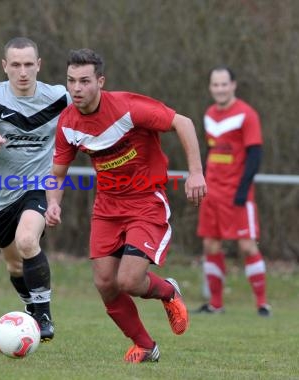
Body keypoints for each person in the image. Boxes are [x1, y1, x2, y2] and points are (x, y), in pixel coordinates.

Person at [45, 48, 207, 363]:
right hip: (107, 207)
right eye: (71, 81)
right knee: (105, 283)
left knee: (129, 281)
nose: (76, 88)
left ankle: (168, 291)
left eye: (84, 81)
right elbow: (57, 173)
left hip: (145, 200)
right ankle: (145, 346)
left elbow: (183, 123)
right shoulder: (67, 123)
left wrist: (196, 173)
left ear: (100, 82)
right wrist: (53, 203)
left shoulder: (128, 107)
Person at [0, 37, 70, 342]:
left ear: (39, 65)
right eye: (16, 65)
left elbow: (93, 112)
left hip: (39, 185)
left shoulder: (59, 97)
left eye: (28, 64)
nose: (23, 72)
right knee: (14, 263)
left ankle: (44, 317)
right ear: (5, 66)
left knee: (26, 240)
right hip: (0, 193)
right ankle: (31, 309)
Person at [194, 66, 271, 317]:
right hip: (212, 192)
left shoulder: (247, 114)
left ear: (233, 85)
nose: (220, 89)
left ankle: (262, 304)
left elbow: (255, 155)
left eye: (224, 84)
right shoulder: (208, 115)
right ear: (210, 87)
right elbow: (209, 152)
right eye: (215, 85)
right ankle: (216, 305)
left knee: (247, 246)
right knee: (210, 246)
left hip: (237, 193)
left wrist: (242, 190)